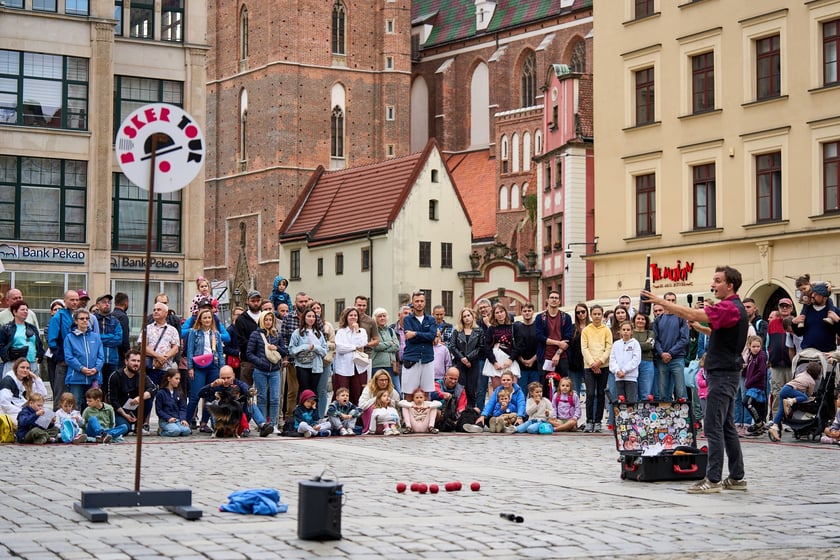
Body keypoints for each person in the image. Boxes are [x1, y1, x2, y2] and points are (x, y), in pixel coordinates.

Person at [643, 265, 749, 494]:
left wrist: (662, 302)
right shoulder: (734, 308)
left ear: (730, 285)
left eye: (718, 280)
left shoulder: (730, 308)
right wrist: (702, 329)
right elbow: (721, 336)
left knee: (713, 426)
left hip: (722, 374)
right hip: (727, 372)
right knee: (727, 426)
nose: (713, 284)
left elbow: (691, 313)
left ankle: (712, 480)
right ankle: (737, 477)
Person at [196, 366, 274, 437]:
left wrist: (250, 391)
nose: (225, 380)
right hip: (221, 420)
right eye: (223, 378)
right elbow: (200, 394)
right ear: (219, 377)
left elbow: (245, 388)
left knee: (251, 404)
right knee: (215, 403)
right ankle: (221, 431)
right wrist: (211, 385)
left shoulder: (238, 384)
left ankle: (263, 425)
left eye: (228, 377)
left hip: (237, 419)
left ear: (233, 376)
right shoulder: (216, 385)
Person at [247, 310, 286, 429]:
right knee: (262, 397)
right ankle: (262, 424)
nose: (268, 322)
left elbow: (285, 351)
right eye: (266, 320)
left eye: (270, 320)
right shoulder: (255, 334)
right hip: (260, 370)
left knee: (275, 398)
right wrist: (259, 361)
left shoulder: (277, 335)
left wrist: (277, 348)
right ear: (262, 321)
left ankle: (273, 424)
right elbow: (249, 353)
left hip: (274, 370)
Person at [767, 361, 822, 442]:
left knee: (780, 411)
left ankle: (774, 427)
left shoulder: (802, 374)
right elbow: (809, 394)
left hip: (785, 388)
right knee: (804, 397)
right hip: (789, 390)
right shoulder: (812, 382)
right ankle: (790, 401)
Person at [47, 290, 83, 409]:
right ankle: (57, 420)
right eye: (72, 300)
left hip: (77, 361)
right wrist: (60, 358)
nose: (74, 302)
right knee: (61, 393)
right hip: (64, 361)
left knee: (75, 395)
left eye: (77, 300)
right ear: (65, 301)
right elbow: (52, 340)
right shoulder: (58, 317)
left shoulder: (79, 316)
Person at [109, 349, 157, 435]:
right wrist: (125, 415)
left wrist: (140, 398)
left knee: (149, 397)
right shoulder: (116, 376)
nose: (136, 363)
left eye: (138, 361)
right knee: (124, 429)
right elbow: (113, 400)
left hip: (137, 408)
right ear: (126, 361)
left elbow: (153, 388)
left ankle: (139, 426)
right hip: (121, 410)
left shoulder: (142, 375)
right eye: (133, 360)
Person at [535, 291, 574, 397]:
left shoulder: (566, 317)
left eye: (556, 298)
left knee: (564, 386)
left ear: (559, 301)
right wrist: (557, 342)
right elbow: (539, 336)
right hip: (545, 357)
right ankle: (546, 411)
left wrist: (558, 353)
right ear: (547, 300)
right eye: (551, 297)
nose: (554, 300)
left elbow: (568, 338)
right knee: (544, 386)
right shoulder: (540, 318)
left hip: (562, 357)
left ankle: (563, 410)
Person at [63, 309, 104, 407]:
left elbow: (101, 356)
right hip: (76, 378)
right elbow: (69, 357)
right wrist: (81, 368)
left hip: (93, 377)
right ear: (76, 321)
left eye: (87, 318)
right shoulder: (69, 337)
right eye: (82, 318)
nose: (85, 321)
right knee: (75, 405)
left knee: (92, 406)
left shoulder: (96, 337)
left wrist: (96, 369)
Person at [581, 304, 612, 433]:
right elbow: (584, 348)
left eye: (599, 314)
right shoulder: (586, 330)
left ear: (602, 315)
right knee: (590, 394)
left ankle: (598, 421)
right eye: (595, 314)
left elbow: (609, 347)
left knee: (600, 394)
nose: (597, 316)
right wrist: (593, 363)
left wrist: (600, 361)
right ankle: (589, 420)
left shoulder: (606, 330)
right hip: (589, 366)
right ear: (591, 315)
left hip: (603, 366)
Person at [654, 292, 689, 401]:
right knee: (664, 393)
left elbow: (684, 339)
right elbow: (655, 340)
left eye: (673, 300)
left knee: (681, 392)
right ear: (664, 302)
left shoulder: (681, 318)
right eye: (668, 300)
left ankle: (685, 417)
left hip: (677, 359)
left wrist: (670, 353)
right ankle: (666, 416)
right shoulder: (658, 320)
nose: (671, 302)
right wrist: (662, 353)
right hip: (662, 360)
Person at [401, 291, 437, 398]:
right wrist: (425, 336)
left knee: (426, 393)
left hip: (427, 358)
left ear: (425, 302)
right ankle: (408, 415)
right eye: (417, 301)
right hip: (411, 358)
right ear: (412, 303)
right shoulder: (407, 319)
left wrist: (416, 333)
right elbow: (410, 339)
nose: (419, 303)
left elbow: (432, 336)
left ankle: (425, 415)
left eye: (421, 301)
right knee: (409, 392)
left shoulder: (431, 319)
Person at [448, 308, 484, 412]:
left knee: (471, 390)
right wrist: (463, 358)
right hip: (460, 364)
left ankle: (471, 414)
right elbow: (452, 346)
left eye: (468, 315)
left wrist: (468, 358)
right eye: (464, 316)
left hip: (474, 364)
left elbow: (480, 347)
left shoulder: (479, 331)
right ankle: (458, 412)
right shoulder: (457, 331)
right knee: (460, 389)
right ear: (461, 319)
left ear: (473, 317)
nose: (467, 318)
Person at [334, 307, 370, 405]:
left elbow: (363, 343)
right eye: (351, 315)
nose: (353, 317)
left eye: (355, 315)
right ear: (346, 317)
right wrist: (354, 347)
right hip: (344, 367)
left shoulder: (362, 331)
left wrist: (357, 331)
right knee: (343, 392)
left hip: (359, 367)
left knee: (358, 393)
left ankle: (357, 418)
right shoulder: (341, 332)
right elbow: (340, 349)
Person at [288, 307, 328, 397]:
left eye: (313, 316)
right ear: (304, 318)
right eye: (309, 316)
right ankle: (303, 410)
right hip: (302, 365)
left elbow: (325, 351)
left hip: (316, 366)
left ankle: (313, 410)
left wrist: (315, 348)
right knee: (305, 391)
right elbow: (291, 350)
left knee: (314, 392)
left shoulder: (319, 333)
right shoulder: (297, 333)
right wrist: (305, 347)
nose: (311, 319)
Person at [767, 298, 796, 418]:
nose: (784, 308)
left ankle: (791, 419)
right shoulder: (773, 323)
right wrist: (770, 357)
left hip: (791, 365)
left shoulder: (795, 322)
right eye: (782, 306)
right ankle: (776, 419)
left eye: (787, 306)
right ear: (778, 308)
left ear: (792, 308)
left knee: (791, 393)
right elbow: (768, 343)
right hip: (776, 364)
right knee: (777, 392)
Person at [92, 294, 123, 403]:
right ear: (97, 305)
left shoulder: (115, 321)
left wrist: (100, 338)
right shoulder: (92, 320)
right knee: (97, 387)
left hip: (112, 359)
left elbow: (119, 339)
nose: (107, 304)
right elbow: (92, 338)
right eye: (104, 302)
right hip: (96, 360)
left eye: (109, 302)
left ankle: (108, 410)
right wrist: (109, 337)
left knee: (111, 388)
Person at [792, 282, 840, 352]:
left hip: (827, 355)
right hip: (807, 354)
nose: (812, 295)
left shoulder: (835, 312)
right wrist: (794, 323)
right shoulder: (806, 311)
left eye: (817, 294)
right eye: (813, 292)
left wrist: (838, 320)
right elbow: (799, 333)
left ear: (825, 298)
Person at [0, 300, 45, 375]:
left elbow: (39, 343)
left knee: (31, 386)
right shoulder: (7, 328)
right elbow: (1, 345)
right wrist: (6, 359)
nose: (25, 311)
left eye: (27, 310)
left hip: (32, 363)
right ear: (15, 312)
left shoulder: (32, 328)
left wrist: (39, 356)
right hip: (13, 363)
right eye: (22, 310)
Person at [142, 302, 180, 387]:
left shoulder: (172, 330)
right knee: (150, 392)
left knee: (165, 395)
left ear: (166, 313)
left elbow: (176, 348)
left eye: (158, 310)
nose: (155, 311)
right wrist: (158, 356)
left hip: (167, 369)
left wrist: (164, 358)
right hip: (151, 368)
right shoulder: (147, 328)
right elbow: (143, 346)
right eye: (154, 310)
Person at [482, 303, 520, 388]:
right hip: (496, 363)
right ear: (494, 315)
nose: (500, 314)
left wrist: (511, 359)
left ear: (505, 312)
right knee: (499, 392)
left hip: (510, 362)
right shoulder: (491, 329)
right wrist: (494, 362)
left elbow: (519, 345)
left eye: (501, 311)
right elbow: (487, 347)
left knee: (513, 391)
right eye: (497, 313)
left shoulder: (514, 327)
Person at [234, 290, 263, 387]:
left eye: (258, 301)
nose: (256, 303)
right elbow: (241, 340)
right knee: (246, 389)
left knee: (263, 392)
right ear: (248, 301)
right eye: (253, 301)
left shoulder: (265, 317)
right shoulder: (241, 319)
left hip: (264, 361)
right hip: (247, 360)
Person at [311, 300, 334, 417]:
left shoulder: (328, 326)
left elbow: (334, 344)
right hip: (311, 361)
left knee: (322, 390)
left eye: (318, 308)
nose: (316, 311)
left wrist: (323, 344)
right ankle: (311, 415)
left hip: (325, 361)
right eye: (313, 308)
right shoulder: (307, 326)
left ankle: (320, 416)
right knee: (311, 390)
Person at [742, 336, 768, 437]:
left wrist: (750, 381)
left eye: (758, 346)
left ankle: (758, 423)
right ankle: (759, 427)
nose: (756, 348)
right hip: (751, 385)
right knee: (757, 406)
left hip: (757, 386)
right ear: (749, 346)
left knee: (747, 402)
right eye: (754, 346)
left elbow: (761, 372)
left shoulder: (761, 356)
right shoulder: (750, 356)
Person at [609, 321, 641, 404]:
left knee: (631, 402)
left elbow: (636, 360)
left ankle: (631, 417)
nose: (626, 331)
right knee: (620, 402)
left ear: (632, 331)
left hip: (631, 378)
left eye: (628, 329)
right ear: (620, 331)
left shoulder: (635, 344)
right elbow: (612, 360)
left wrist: (624, 370)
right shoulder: (616, 344)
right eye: (623, 329)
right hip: (619, 377)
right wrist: (617, 371)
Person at [154, 370, 192, 437]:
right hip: (166, 420)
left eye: (179, 379)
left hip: (178, 420)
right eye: (176, 379)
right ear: (169, 379)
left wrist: (183, 419)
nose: (178, 381)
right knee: (175, 431)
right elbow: (159, 410)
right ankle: (161, 432)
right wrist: (168, 418)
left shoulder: (179, 392)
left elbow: (183, 408)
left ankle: (177, 429)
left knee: (186, 431)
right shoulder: (161, 393)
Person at [371, 308, 400, 394]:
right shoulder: (373, 330)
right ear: (375, 318)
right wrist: (389, 343)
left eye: (384, 316)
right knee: (378, 392)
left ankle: (397, 407)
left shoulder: (391, 330)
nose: (382, 318)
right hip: (377, 365)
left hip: (391, 365)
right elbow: (376, 346)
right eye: (380, 316)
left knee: (397, 391)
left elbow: (397, 346)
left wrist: (384, 346)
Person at [513, 302, 540, 394]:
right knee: (521, 393)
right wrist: (521, 360)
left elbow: (541, 345)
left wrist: (532, 360)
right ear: (521, 312)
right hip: (521, 366)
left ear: (533, 312)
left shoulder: (538, 326)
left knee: (535, 393)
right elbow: (514, 345)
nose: (527, 313)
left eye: (529, 310)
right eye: (524, 311)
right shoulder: (517, 326)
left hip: (536, 365)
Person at [474, 298, 493, 411]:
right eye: (481, 308)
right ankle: (480, 413)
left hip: (496, 359)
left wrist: (489, 324)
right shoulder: (477, 324)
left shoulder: (496, 321)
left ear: (490, 308)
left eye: (485, 307)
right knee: (481, 388)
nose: (483, 309)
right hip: (482, 358)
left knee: (497, 387)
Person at [632, 312, 655, 401]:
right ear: (634, 320)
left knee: (646, 392)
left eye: (643, 319)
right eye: (638, 319)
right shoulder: (630, 332)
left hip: (647, 363)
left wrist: (635, 345)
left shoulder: (651, 333)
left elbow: (650, 346)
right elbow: (629, 347)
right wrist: (643, 344)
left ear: (646, 321)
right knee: (634, 393)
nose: (640, 321)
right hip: (633, 364)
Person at [567, 303, 589, 397]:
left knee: (592, 393)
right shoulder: (572, 328)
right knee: (574, 392)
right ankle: (575, 412)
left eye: (583, 311)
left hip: (589, 363)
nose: (581, 314)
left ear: (587, 312)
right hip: (574, 364)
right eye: (578, 312)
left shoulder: (592, 327)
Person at [111, 292, 131, 369]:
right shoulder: (123, 317)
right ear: (126, 303)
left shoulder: (110, 315)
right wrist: (128, 353)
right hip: (121, 355)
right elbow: (124, 338)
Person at [696, 355, 708, 420]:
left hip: (711, 396)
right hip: (703, 396)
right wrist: (708, 382)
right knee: (704, 413)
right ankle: (706, 428)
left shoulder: (712, 372)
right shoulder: (701, 372)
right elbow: (700, 382)